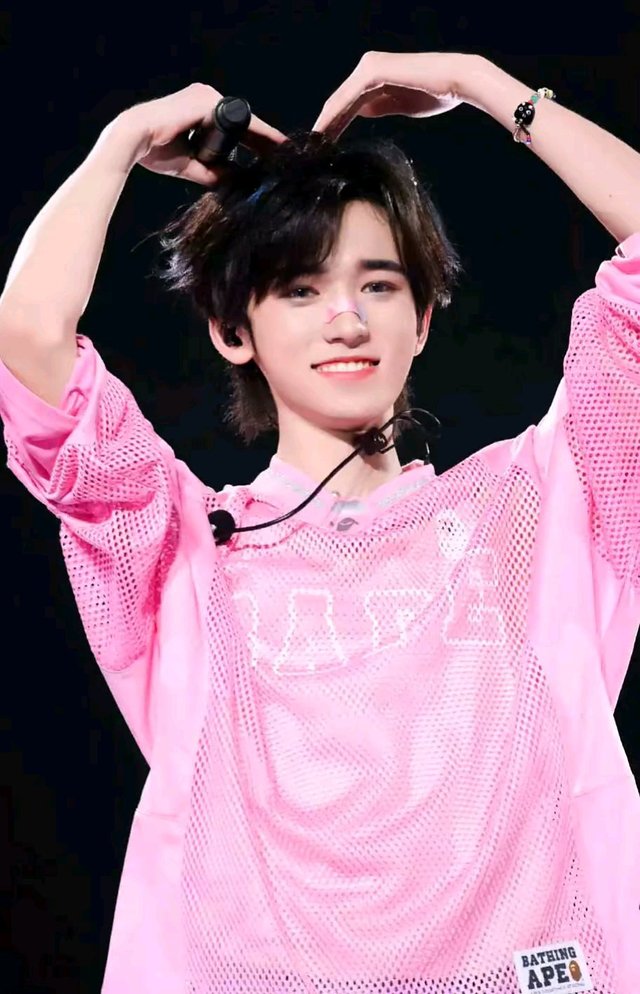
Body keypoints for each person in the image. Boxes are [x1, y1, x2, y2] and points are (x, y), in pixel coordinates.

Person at [0, 49, 638, 994]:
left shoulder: (536, 507)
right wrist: (120, 142)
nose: (346, 318)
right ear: (234, 329)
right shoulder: (177, 543)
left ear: (423, 319)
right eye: (300, 289)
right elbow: (28, 338)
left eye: (378, 284)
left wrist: (481, 84)